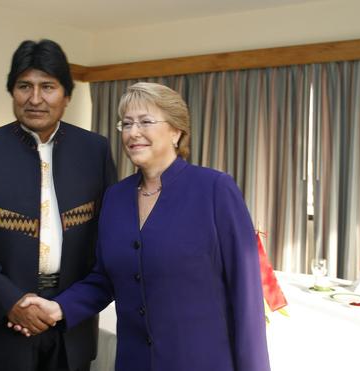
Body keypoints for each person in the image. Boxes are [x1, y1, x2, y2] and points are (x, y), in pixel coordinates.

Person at [16, 82, 271, 371]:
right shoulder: (115, 197)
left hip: (201, 360)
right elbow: (104, 279)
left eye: (145, 122)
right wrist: (59, 308)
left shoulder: (214, 189)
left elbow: (246, 294)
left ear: (176, 131)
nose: (133, 132)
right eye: (126, 124)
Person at [0, 39, 116, 371]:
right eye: (25, 86)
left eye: (47, 87)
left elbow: (107, 234)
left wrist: (70, 305)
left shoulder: (94, 149)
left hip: (73, 316)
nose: (35, 98)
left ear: (67, 95)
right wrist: (11, 302)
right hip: (5, 318)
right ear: (12, 92)